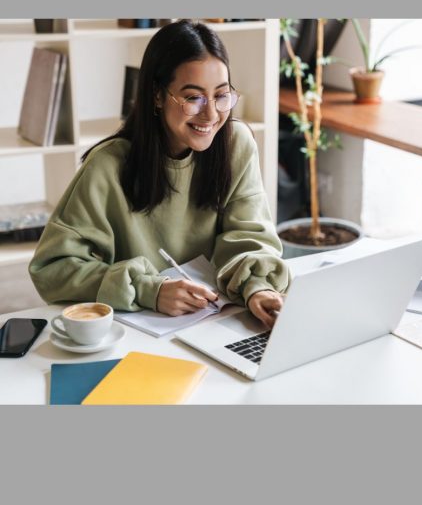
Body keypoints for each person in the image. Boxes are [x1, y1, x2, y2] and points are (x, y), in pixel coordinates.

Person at [29, 20, 289, 327]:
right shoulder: (107, 166)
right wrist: (149, 289)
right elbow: (52, 269)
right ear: (157, 95)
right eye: (193, 98)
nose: (211, 114)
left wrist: (257, 287)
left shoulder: (237, 145)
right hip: (137, 332)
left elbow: (248, 237)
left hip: (218, 323)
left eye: (221, 95)